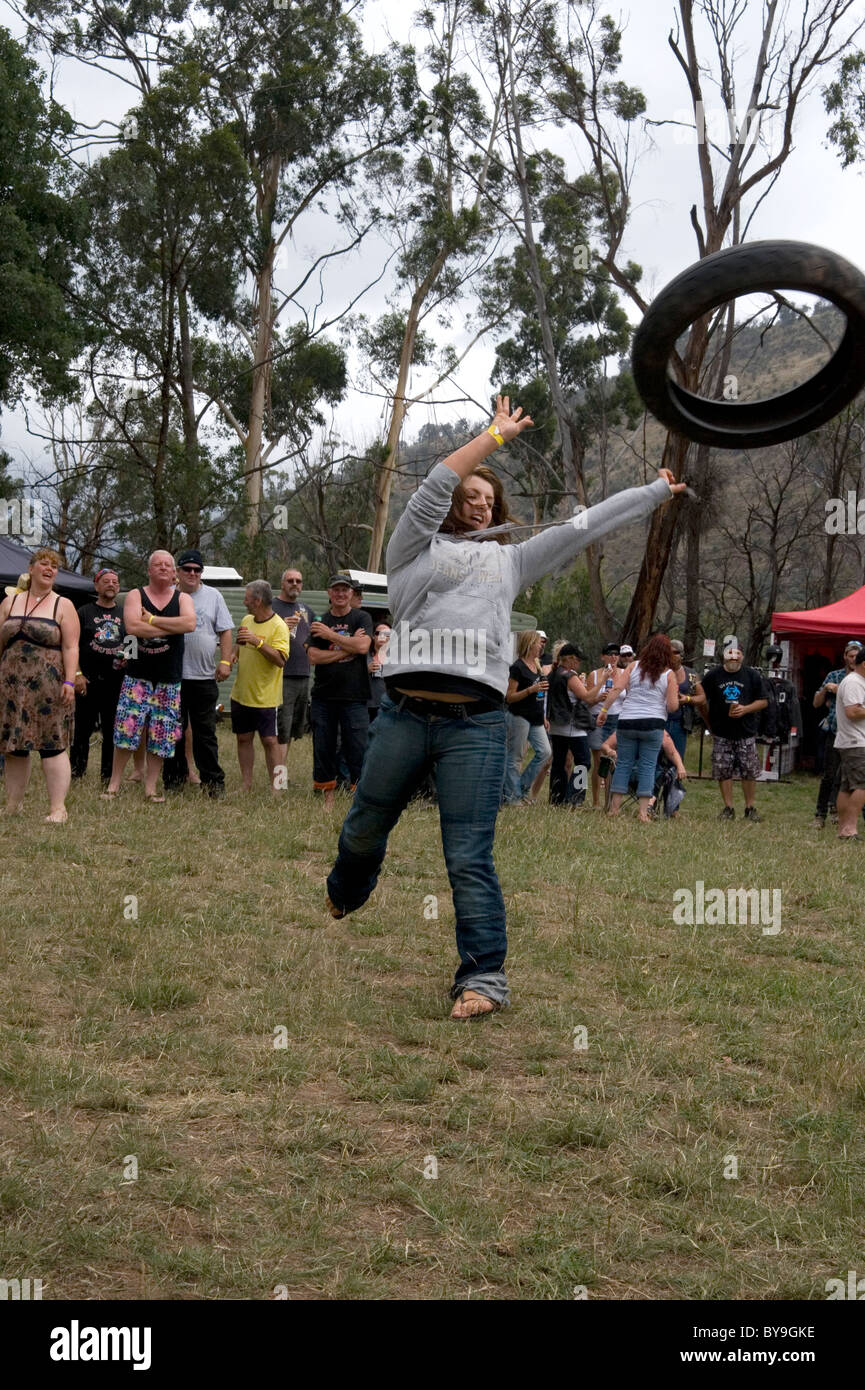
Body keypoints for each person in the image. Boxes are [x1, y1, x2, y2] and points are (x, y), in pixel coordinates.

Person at [324, 395, 684, 1019]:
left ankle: (483, 978)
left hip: (478, 724)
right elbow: (437, 482)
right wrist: (494, 436)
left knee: (468, 852)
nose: (480, 501)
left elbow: (584, 526)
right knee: (364, 825)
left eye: (490, 497)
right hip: (405, 714)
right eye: (471, 492)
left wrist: (650, 493)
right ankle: (347, 888)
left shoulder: (511, 559)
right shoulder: (411, 549)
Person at [103, 550, 196, 801]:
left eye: (168, 565)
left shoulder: (183, 598)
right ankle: (114, 785)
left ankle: (151, 788)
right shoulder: (136, 594)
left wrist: (152, 620)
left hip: (169, 678)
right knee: (127, 731)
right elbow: (133, 627)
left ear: (174, 571)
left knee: (161, 734)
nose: (164, 568)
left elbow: (189, 625)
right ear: (149, 570)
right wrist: (169, 627)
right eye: (158, 564)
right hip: (138, 676)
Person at [0, 548, 80, 822]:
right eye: (44, 564)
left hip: (49, 686)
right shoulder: (9, 603)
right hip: (11, 687)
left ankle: (58, 809)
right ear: (31, 569)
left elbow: (71, 646)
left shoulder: (63, 605)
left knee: (52, 745)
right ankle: (13, 805)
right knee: (14, 746)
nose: (49, 569)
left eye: (54, 566)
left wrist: (70, 680)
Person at [162, 549, 234, 798]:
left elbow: (225, 631)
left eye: (197, 570)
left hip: (203, 677)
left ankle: (213, 783)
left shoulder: (213, 596)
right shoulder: (167, 596)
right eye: (187, 569)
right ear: (178, 572)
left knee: (205, 734)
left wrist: (225, 661)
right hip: (172, 676)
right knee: (173, 731)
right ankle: (173, 779)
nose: (192, 573)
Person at [307, 576, 373, 807]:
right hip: (324, 696)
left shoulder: (361, 617)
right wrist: (347, 649)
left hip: (355, 696)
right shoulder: (319, 621)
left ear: (351, 593)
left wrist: (330, 636)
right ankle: (328, 797)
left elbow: (364, 646)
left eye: (345, 590)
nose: (341, 594)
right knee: (323, 747)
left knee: (357, 746)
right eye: (336, 590)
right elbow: (314, 657)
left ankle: (360, 797)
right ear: (329, 592)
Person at [598, 633, 678, 822]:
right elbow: (673, 706)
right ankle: (643, 813)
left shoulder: (633, 666)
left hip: (627, 721)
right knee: (648, 766)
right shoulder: (668, 674)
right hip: (653, 723)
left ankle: (614, 809)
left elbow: (617, 689)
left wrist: (604, 710)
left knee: (624, 763)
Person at [229, 580, 290, 792]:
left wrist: (259, 642)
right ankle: (246, 784)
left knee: (270, 741)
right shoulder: (247, 619)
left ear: (258, 600)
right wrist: (231, 658)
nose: (244, 601)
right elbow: (239, 643)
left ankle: (279, 786)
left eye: (247, 598)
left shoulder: (279, 626)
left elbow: (281, 660)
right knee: (243, 738)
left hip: (266, 697)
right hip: (241, 693)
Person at [699, 645, 769, 822]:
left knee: (749, 770)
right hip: (721, 731)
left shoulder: (752, 675)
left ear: (742, 657)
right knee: (723, 770)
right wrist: (709, 722)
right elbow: (701, 698)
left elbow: (763, 701)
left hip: (745, 731)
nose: (733, 658)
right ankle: (728, 808)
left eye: (737, 654)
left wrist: (745, 709)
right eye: (730, 655)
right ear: (723, 657)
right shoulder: (713, 675)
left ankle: (750, 807)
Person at [70, 566, 126, 785]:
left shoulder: (123, 613)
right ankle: (76, 772)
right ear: (96, 585)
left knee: (112, 732)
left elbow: (131, 639)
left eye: (115, 581)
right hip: (88, 681)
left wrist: (127, 657)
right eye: (106, 581)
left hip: (116, 682)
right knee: (82, 731)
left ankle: (108, 775)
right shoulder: (83, 612)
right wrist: (77, 674)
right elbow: (71, 645)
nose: (111, 584)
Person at [547, 643, 604, 806]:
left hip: (557, 724)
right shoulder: (570, 675)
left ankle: (556, 797)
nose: (579, 664)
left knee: (558, 761)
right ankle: (575, 797)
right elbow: (586, 696)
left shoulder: (554, 673)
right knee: (584, 761)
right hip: (572, 726)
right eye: (577, 660)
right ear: (570, 659)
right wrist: (602, 681)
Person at [812, 641, 861, 828]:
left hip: (856, 734)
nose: (853, 659)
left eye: (857, 656)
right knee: (829, 775)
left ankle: (840, 813)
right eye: (851, 656)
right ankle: (820, 814)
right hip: (835, 731)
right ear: (845, 656)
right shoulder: (834, 675)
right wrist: (825, 689)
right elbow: (816, 703)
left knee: (850, 778)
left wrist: (838, 689)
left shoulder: (862, 679)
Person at [272, 567, 316, 770]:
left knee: (290, 730)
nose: (294, 584)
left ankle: (280, 773)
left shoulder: (307, 610)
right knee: (281, 728)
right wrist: (281, 624)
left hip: (303, 675)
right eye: (290, 580)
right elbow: (256, 633)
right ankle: (278, 780)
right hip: (281, 675)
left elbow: (313, 639)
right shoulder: (270, 606)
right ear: (282, 583)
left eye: (298, 581)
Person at [503, 629, 551, 804]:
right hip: (519, 715)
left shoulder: (537, 665)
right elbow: (509, 697)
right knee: (515, 757)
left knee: (545, 752)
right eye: (539, 642)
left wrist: (544, 715)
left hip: (536, 716)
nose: (541, 645)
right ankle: (511, 797)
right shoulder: (517, 667)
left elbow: (540, 694)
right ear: (530, 644)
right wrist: (531, 690)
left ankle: (520, 788)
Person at [833, 645, 865, 840]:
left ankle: (843, 829)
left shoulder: (858, 681)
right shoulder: (854, 682)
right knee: (862, 786)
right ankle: (850, 829)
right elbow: (852, 712)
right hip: (856, 742)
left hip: (851, 742)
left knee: (847, 787)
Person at [587, 642, 623, 808]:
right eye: (610, 653)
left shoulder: (624, 674)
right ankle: (595, 801)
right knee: (598, 761)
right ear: (603, 656)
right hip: (597, 718)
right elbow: (586, 700)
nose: (613, 657)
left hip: (618, 719)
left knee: (613, 760)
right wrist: (598, 698)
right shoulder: (594, 675)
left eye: (616, 654)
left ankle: (609, 802)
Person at [665, 639, 704, 762]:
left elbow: (702, 697)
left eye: (675, 652)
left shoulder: (691, 674)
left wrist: (687, 699)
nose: (672, 655)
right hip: (660, 721)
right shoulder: (658, 671)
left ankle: (675, 781)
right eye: (669, 652)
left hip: (679, 724)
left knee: (677, 759)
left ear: (681, 655)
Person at [368, 622, 391, 722]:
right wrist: (366, 670)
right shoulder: (364, 655)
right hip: (364, 706)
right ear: (373, 636)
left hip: (387, 707)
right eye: (378, 633)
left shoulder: (397, 658)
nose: (382, 636)